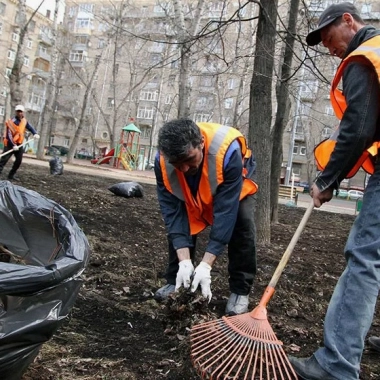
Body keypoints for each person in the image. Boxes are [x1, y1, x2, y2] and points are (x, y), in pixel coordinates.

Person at [289, 3, 380, 380]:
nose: (329, 48)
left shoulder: (365, 57)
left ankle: (336, 365)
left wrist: (327, 180)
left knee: (363, 258)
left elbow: (358, 129)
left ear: (349, 21)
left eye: (329, 38)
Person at [154, 119, 258, 316]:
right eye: (176, 163)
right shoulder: (162, 162)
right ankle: (175, 280)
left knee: (241, 222)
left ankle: (239, 291)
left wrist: (206, 265)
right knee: (181, 219)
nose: (183, 169)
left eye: (188, 159)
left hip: (235, 179)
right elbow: (173, 214)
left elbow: (225, 212)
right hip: (195, 184)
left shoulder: (229, 152)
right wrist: (184, 261)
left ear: (201, 143)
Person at [0, 104, 40, 180]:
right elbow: (9, 135)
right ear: (16, 112)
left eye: (21, 111)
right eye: (18, 111)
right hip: (10, 144)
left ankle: (11, 175)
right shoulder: (11, 122)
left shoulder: (24, 121)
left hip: (19, 144)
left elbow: (30, 128)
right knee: (3, 160)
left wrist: (35, 133)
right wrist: (13, 145)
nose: (19, 113)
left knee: (18, 161)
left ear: (23, 112)